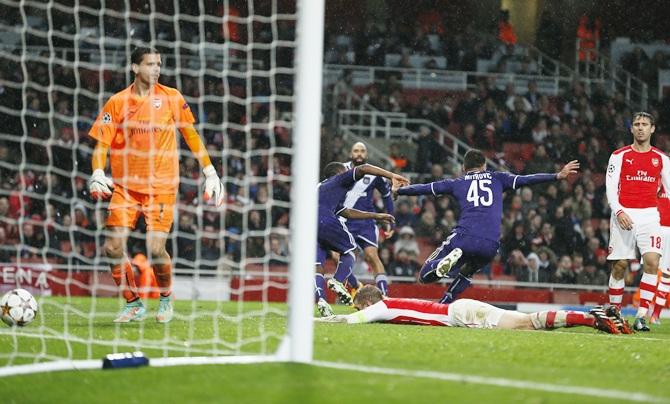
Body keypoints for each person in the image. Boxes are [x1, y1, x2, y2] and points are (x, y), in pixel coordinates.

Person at [88, 46, 225, 323]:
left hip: (162, 187)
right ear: (135, 68)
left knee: (155, 248)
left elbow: (191, 135)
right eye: (150, 64)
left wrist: (210, 172)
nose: (157, 69)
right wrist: (98, 172)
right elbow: (102, 143)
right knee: (113, 248)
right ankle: (133, 303)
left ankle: (165, 299)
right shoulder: (117, 102)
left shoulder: (171, 97)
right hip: (125, 187)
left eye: (159, 64)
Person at [394, 149, 579, 304]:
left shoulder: (457, 183)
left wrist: (400, 190)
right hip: (490, 244)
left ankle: (440, 265)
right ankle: (445, 303)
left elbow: (426, 188)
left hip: (464, 237)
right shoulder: (498, 178)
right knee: (468, 271)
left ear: (463, 168)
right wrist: (556, 175)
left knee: (425, 276)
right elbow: (526, 179)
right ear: (484, 166)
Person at [316, 285, 620, 335]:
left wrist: (325, 320)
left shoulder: (379, 307)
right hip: (460, 308)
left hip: (459, 316)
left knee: (525, 325)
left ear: (368, 302)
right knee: (527, 323)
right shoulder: (391, 303)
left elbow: (353, 320)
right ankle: (593, 314)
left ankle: (591, 318)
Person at [314, 162, 408, 316]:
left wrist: (376, 216)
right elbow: (364, 168)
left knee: (317, 267)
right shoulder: (339, 179)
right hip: (324, 219)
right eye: (346, 171)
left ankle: (322, 301)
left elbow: (346, 212)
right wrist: (391, 176)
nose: (349, 174)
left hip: (308, 225)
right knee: (351, 250)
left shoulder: (323, 188)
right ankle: (337, 281)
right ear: (340, 173)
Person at [605, 112, 670, 331]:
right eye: (636, 124)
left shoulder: (662, 159)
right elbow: (611, 188)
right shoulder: (619, 155)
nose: (640, 128)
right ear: (631, 129)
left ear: (653, 129)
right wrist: (619, 211)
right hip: (624, 214)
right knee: (620, 265)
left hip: (651, 216)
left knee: (652, 262)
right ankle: (614, 311)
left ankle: (641, 316)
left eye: (645, 124)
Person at [341, 142, 395, 296]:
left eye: (362, 151)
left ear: (366, 154)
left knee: (372, 256)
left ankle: (384, 296)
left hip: (366, 223)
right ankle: (356, 288)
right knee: (338, 257)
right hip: (344, 221)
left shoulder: (374, 173)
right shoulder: (341, 169)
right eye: (356, 151)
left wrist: (390, 220)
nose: (359, 154)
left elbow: (386, 195)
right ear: (351, 153)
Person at [649, 186, 670, 324]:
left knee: (666, 274)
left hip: (664, 229)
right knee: (651, 272)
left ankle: (655, 315)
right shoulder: (657, 177)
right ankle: (648, 314)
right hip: (657, 228)